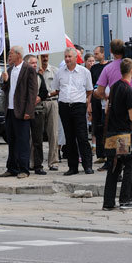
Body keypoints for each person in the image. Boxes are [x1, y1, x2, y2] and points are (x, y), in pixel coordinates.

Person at [94, 39, 132, 165]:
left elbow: (100, 90)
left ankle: (121, 162)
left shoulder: (108, 68)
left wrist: (105, 97)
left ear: (111, 51)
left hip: (116, 106)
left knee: (120, 134)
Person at [102, 58, 132, 210]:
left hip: (112, 133)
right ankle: (126, 200)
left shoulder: (114, 87)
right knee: (129, 167)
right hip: (124, 135)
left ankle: (108, 202)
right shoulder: (128, 90)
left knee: (114, 168)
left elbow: (108, 109)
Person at [52, 47, 94, 175]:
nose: (67, 59)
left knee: (82, 137)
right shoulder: (60, 72)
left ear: (76, 58)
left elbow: (89, 90)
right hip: (64, 106)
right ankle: (72, 167)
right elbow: (57, 89)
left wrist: (86, 103)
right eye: (65, 56)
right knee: (69, 138)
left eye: (70, 56)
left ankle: (88, 166)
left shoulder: (84, 72)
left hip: (79, 106)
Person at [0, 46, 38, 179]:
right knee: (12, 140)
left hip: (22, 111)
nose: (9, 56)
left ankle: (24, 169)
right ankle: (12, 168)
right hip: (10, 110)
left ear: (18, 55)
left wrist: (29, 111)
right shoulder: (9, 69)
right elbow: (4, 88)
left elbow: (32, 93)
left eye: (11, 54)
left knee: (22, 141)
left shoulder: (29, 69)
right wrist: (4, 80)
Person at [27, 54, 49, 176]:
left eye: (35, 63)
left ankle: (38, 165)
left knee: (38, 140)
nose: (34, 65)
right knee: (25, 140)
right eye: (32, 63)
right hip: (25, 112)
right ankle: (25, 164)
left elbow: (44, 92)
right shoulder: (22, 76)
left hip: (38, 111)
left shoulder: (39, 76)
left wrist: (39, 97)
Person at [37, 54, 59, 171]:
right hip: (38, 104)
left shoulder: (55, 71)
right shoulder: (34, 71)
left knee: (53, 133)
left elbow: (58, 89)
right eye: (42, 57)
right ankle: (35, 162)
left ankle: (53, 162)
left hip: (52, 102)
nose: (45, 59)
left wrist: (47, 94)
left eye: (46, 56)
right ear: (38, 57)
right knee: (36, 134)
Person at [90, 46, 109, 167]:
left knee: (106, 125)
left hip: (106, 100)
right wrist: (89, 104)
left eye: (97, 54)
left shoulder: (110, 66)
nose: (95, 56)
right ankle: (100, 154)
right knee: (97, 127)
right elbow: (91, 85)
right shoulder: (94, 68)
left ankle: (108, 154)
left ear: (103, 53)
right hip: (96, 100)